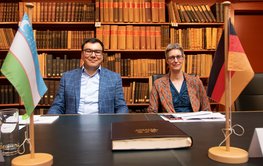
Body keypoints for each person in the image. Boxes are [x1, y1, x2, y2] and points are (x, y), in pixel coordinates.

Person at [48, 38, 128, 114]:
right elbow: (58, 106)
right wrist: (49, 119)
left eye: (97, 52)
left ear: (102, 56)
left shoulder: (114, 78)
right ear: (82, 54)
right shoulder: (67, 77)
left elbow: (121, 107)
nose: (93, 55)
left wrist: (117, 125)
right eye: (88, 51)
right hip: (73, 125)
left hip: (104, 126)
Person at [147, 43, 211, 113]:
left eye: (178, 57)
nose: (176, 60)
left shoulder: (196, 82)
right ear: (167, 61)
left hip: (193, 122)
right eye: (172, 57)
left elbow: (206, 109)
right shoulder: (158, 84)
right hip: (170, 122)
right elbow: (152, 111)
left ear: (183, 58)